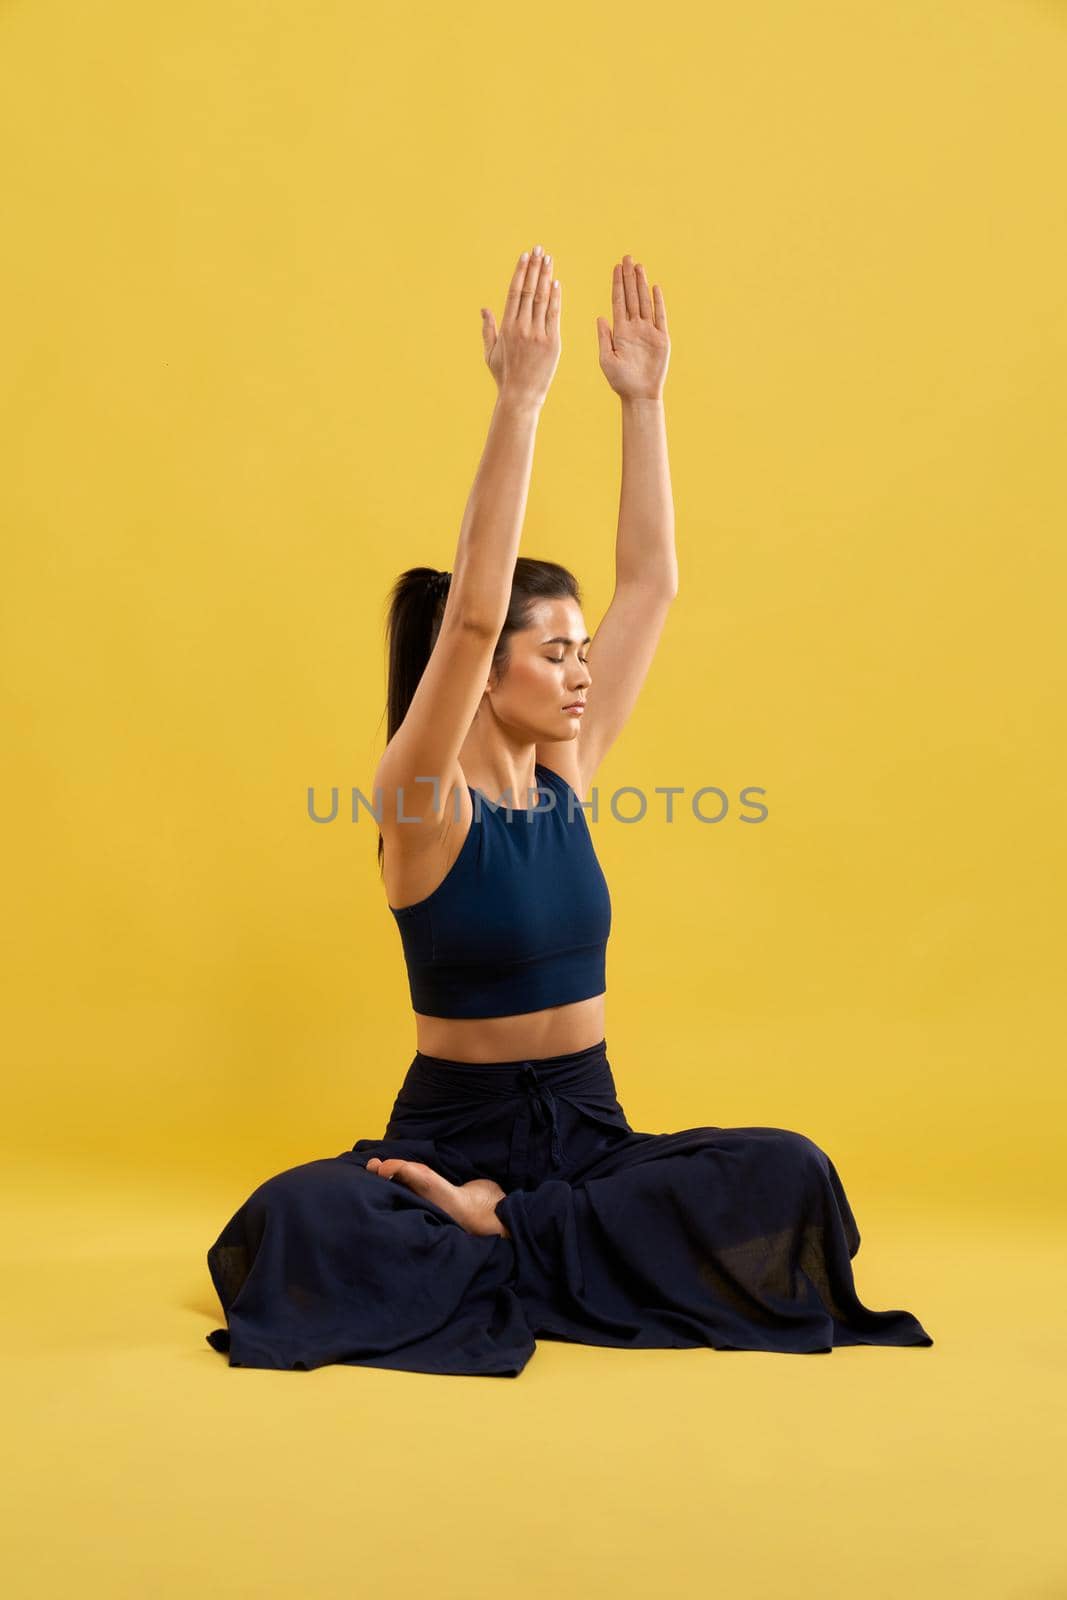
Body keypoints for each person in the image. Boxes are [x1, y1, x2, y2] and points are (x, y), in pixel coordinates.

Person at [204, 245, 934, 1374]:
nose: (583, 671)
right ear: (487, 676)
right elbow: (466, 611)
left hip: (589, 1137)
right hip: (451, 1130)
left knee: (788, 1170)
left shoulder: (568, 771)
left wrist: (643, 402)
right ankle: (489, 1214)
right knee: (300, 1220)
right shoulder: (419, 802)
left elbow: (652, 582)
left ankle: (502, 1228)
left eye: (582, 651)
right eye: (555, 652)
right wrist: (522, 403)